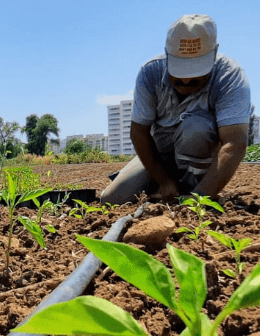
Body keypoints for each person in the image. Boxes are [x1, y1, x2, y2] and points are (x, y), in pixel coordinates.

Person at [100, 14, 251, 205]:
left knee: (196, 127)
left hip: (200, 153)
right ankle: (162, 185)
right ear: (167, 54)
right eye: (180, 72)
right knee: (111, 199)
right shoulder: (150, 73)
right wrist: (163, 180)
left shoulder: (229, 76)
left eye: (196, 72)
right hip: (159, 154)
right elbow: (139, 131)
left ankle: (193, 187)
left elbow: (234, 142)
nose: (186, 81)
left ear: (214, 54)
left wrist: (200, 199)